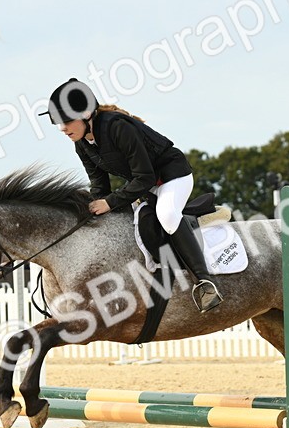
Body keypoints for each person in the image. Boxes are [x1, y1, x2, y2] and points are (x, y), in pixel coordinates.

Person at [39, 77, 222, 312]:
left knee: (166, 215)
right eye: (57, 122)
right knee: (136, 223)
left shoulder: (117, 127)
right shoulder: (81, 143)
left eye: (65, 120)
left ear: (85, 114)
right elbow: (99, 185)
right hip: (145, 185)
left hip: (172, 176)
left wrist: (110, 202)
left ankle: (204, 282)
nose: (62, 128)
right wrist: (92, 209)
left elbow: (144, 177)